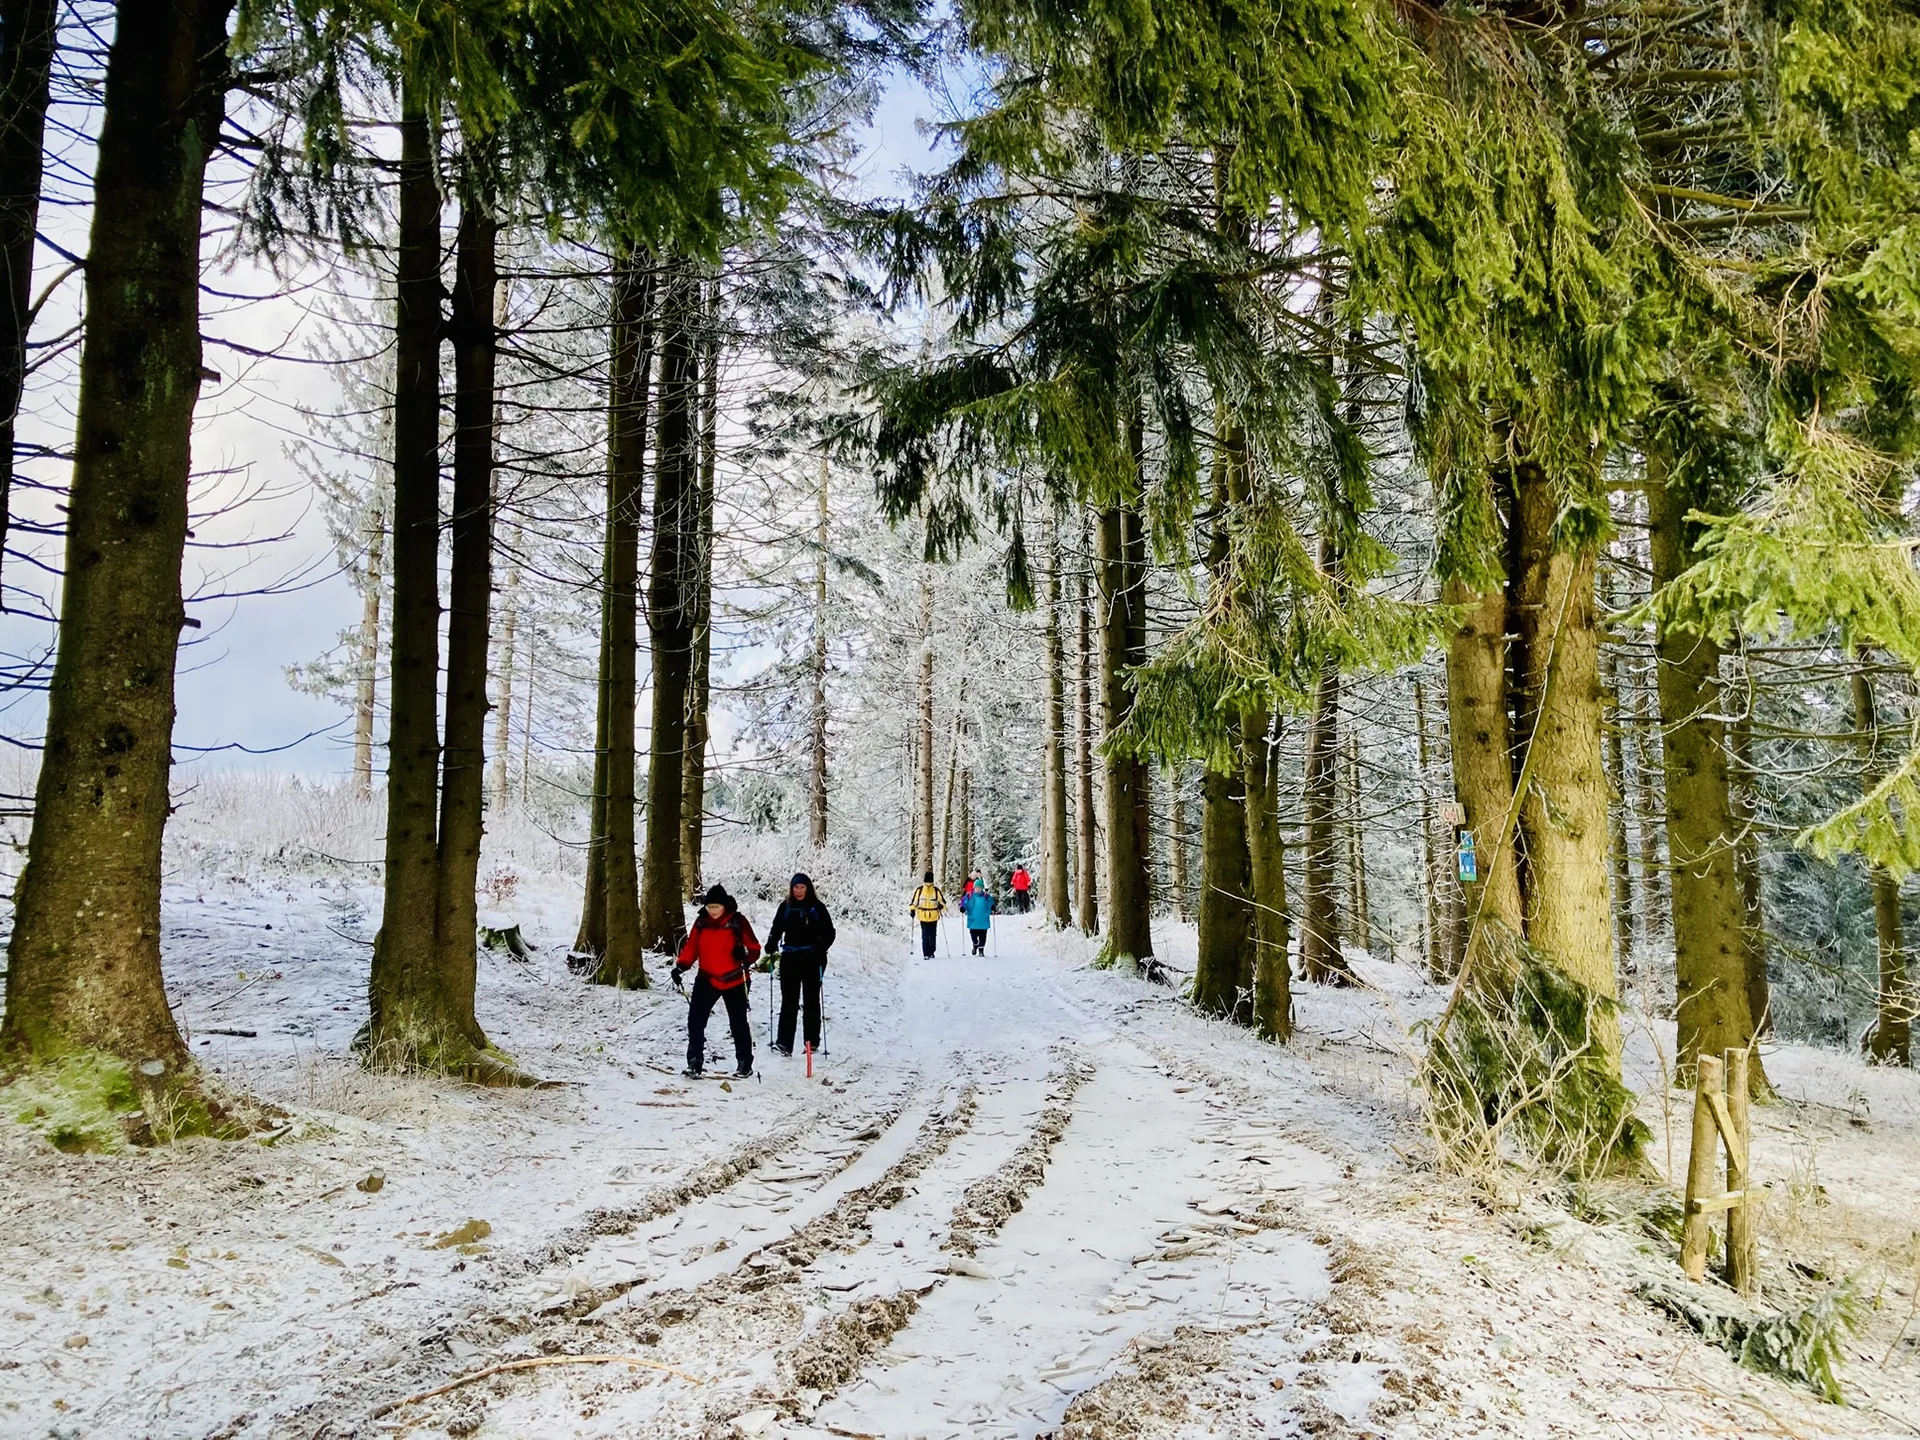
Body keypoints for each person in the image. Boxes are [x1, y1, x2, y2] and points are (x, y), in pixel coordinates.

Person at [673, 884, 760, 1078]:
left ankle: (745, 1062)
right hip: (707, 978)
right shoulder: (701, 923)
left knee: (738, 1022)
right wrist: (681, 966)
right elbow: (692, 947)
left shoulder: (738, 921)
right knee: (695, 1021)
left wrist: (744, 954)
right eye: (710, 907)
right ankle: (694, 1062)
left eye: (716, 907)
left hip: (735, 978)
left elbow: (754, 948)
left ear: (724, 906)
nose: (712, 911)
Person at [765, 872, 835, 1056]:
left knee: (811, 1000)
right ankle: (784, 1043)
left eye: (802, 887)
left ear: (808, 888)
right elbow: (776, 927)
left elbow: (830, 932)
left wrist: (821, 948)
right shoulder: (785, 907)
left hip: (812, 958)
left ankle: (811, 1042)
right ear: (791, 888)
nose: (798, 891)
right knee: (789, 1001)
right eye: (796, 887)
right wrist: (771, 942)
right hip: (790, 958)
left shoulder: (817, 908)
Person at [910, 871, 945, 958]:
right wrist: (912, 910)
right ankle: (926, 953)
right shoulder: (919, 890)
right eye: (927, 882)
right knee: (925, 935)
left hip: (933, 916)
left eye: (930, 882)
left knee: (932, 935)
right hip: (923, 916)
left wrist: (941, 906)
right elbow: (914, 902)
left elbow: (943, 903)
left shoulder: (936, 891)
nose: (928, 884)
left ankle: (932, 951)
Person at [961, 874, 995, 955]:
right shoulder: (969, 896)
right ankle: (975, 944)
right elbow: (964, 903)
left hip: (983, 920)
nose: (978, 889)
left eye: (979, 888)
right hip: (973, 920)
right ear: (974, 887)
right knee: (973, 935)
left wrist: (992, 906)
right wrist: (963, 907)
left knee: (983, 937)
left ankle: (981, 950)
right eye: (976, 887)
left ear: (982, 888)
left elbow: (991, 902)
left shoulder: (986, 896)